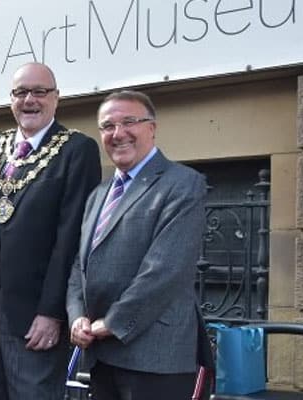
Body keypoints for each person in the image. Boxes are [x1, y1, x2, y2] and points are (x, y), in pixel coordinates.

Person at [0, 62, 101, 399]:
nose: (29, 100)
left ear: (56, 98)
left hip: (36, 309)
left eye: (39, 91)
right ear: (11, 99)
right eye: (21, 92)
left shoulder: (76, 149)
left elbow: (71, 239)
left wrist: (52, 312)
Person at [67, 90, 206, 400]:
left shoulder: (183, 184)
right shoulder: (98, 194)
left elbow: (165, 270)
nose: (118, 133)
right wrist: (76, 317)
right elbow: (80, 264)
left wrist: (110, 323)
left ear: (152, 128)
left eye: (129, 122)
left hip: (154, 358)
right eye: (108, 126)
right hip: (101, 356)